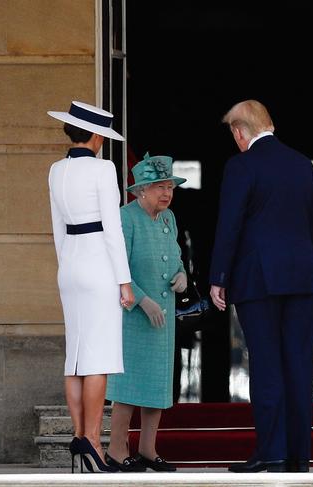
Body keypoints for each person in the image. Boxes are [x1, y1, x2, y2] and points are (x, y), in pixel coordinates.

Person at [209, 100, 313, 473]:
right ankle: (298, 454)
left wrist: (219, 277)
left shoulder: (241, 165)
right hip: (304, 276)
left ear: (239, 132)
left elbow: (230, 224)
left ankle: (272, 451)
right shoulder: (303, 164)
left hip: (259, 278)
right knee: (297, 365)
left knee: (266, 364)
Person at [47, 101, 134, 473]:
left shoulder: (55, 170)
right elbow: (112, 230)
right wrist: (124, 281)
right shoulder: (103, 168)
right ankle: (94, 444)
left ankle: (80, 437)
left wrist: (67, 265)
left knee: (76, 356)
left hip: (70, 265)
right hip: (99, 263)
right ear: (96, 135)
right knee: (97, 357)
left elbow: (57, 229)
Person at [105, 153, 187, 473]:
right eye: (159, 187)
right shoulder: (126, 217)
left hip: (163, 316)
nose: (166, 193)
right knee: (127, 387)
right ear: (141, 190)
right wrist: (142, 300)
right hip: (134, 314)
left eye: (170, 187)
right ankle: (115, 450)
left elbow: (177, 256)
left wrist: (182, 275)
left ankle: (148, 450)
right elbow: (117, 266)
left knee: (157, 385)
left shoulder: (169, 219)